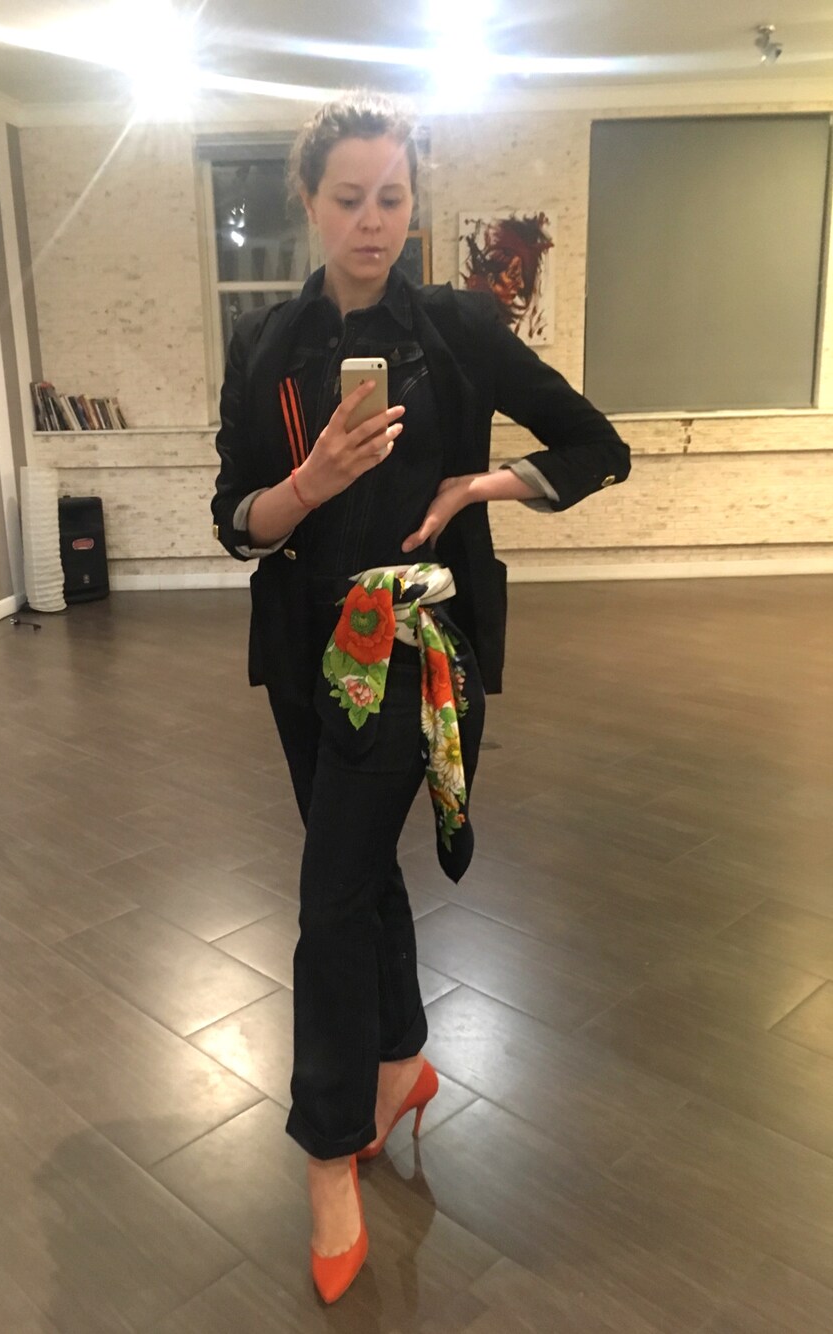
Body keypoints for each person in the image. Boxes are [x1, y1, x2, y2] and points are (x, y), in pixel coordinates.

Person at [211, 90, 630, 1304]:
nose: (372, 220)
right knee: (355, 872)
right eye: (348, 197)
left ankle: (327, 1144)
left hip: (417, 646)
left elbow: (596, 445)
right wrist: (306, 483)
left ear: (412, 203)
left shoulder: (454, 328)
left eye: (391, 197)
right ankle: (401, 1059)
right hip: (302, 653)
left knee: (328, 895)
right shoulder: (265, 345)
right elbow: (235, 516)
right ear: (308, 201)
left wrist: (475, 486)